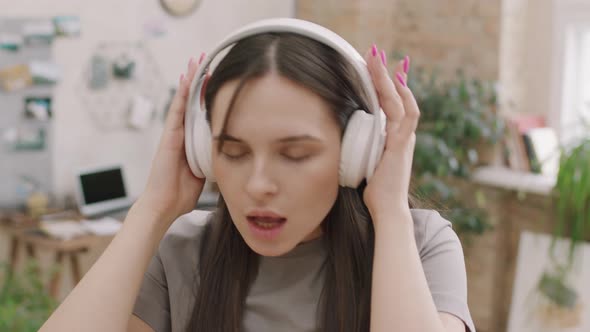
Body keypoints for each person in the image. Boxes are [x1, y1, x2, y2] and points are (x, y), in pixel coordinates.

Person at [40, 19, 475, 332]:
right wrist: (152, 211)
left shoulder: (420, 245)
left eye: (295, 154)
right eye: (233, 151)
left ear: (356, 154)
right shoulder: (184, 252)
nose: (257, 185)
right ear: (202, 151)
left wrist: (391, 212)